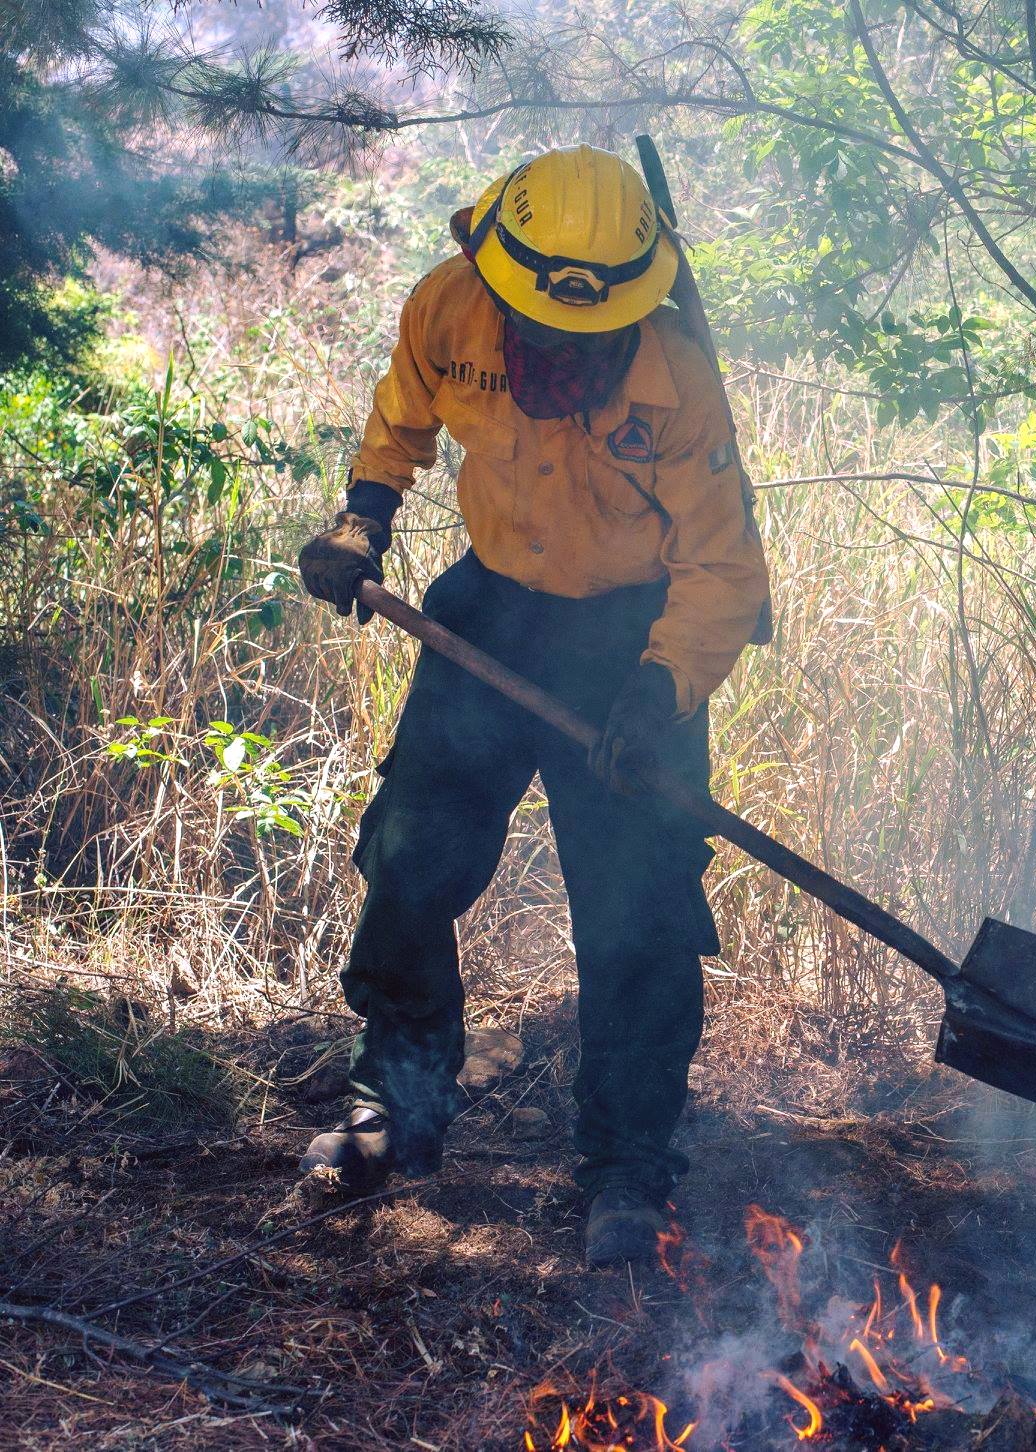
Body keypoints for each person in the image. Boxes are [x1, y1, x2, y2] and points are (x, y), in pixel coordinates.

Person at [295, 145, 771, 1264]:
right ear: (502, 287)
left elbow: (721, 574)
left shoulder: (678, 380)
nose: (570, 351)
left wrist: (654, 695)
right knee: (411, 852)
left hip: (632, 641)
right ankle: (398, 1104)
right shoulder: (450, 308)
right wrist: (364, 520)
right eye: (549, 332)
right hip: (493, 610)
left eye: (595, 335)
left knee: (641, 905)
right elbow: (400, 421)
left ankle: (626, 1164)